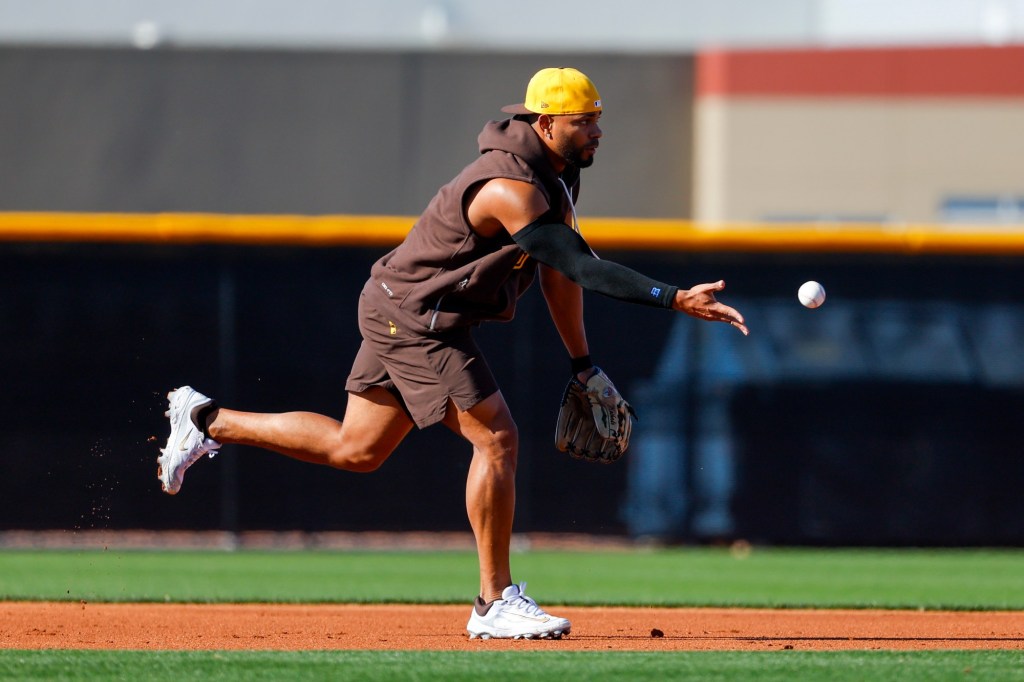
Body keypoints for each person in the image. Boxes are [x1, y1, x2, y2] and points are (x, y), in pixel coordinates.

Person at [157, 67, 748, 640]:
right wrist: (674, 299)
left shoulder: (560, 174)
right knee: (496, 438)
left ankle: (206, 419)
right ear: (544, 124)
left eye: (597, 118)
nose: (596, 130)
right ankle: (494, 602)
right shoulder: (508, 187)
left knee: (356, 449)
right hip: (414, 318)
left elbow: (557, 278)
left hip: (404, 308)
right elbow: (578, 265)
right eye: (582, 120)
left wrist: (582, 362)